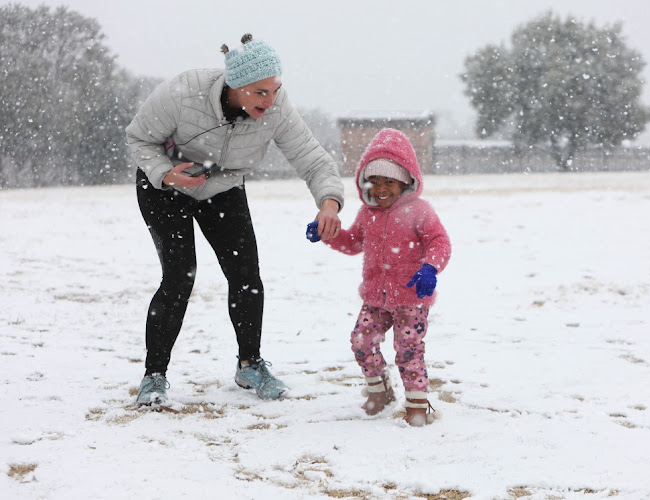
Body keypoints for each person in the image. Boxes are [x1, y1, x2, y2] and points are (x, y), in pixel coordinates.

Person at [126, 33, 344, 407]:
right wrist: (168, 174)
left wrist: (328, 202)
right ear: (235, 85)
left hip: (222, 186)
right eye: (260, 92)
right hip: (164, 186)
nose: (270, 100)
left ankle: (250, 364)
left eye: (275, 89)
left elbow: (312, 157)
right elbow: (138, 139)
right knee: (180, 276)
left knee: (246, 275)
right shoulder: (183, 92)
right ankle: (154, 376)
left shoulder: (277, 109)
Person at [306, 128, 451, 426]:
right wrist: (328, 234)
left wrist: (430, 268)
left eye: (390, 182)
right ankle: (379, 391)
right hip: (375, 297)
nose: (381, 189)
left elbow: (440, 242)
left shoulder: (419, 212)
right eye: (375, 182)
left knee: (408, 350)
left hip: (412, 298)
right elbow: (353, 243)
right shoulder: (366, 214)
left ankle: (417, 405)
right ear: (365, 183)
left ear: (406, 182)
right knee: (361, 341)